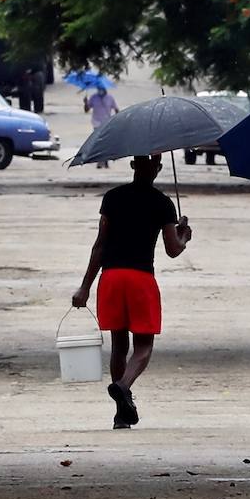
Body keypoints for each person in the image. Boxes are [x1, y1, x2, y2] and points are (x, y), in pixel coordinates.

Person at [72, 154, 192, 429]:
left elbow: (99, 246)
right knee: (144, 346)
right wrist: (183, 235)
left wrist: (85, 287)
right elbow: (173, 250)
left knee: (119, 345)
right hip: (140, 280)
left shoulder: (112, 198)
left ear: (133, 165)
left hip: (112, 278)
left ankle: (120, 415)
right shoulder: (162, 202)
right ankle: (124, 386)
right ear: (158, 169)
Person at [83, 86, 120, 168]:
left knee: (106, 143)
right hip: (96, 123)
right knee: (97, 142)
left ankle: (105, 161)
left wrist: (117, 119)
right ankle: (99, 161)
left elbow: (116, 109)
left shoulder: (110, 98)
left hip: (107, 123)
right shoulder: (94, 97)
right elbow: (86, 109)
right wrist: (85, 102)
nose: (101, 90)